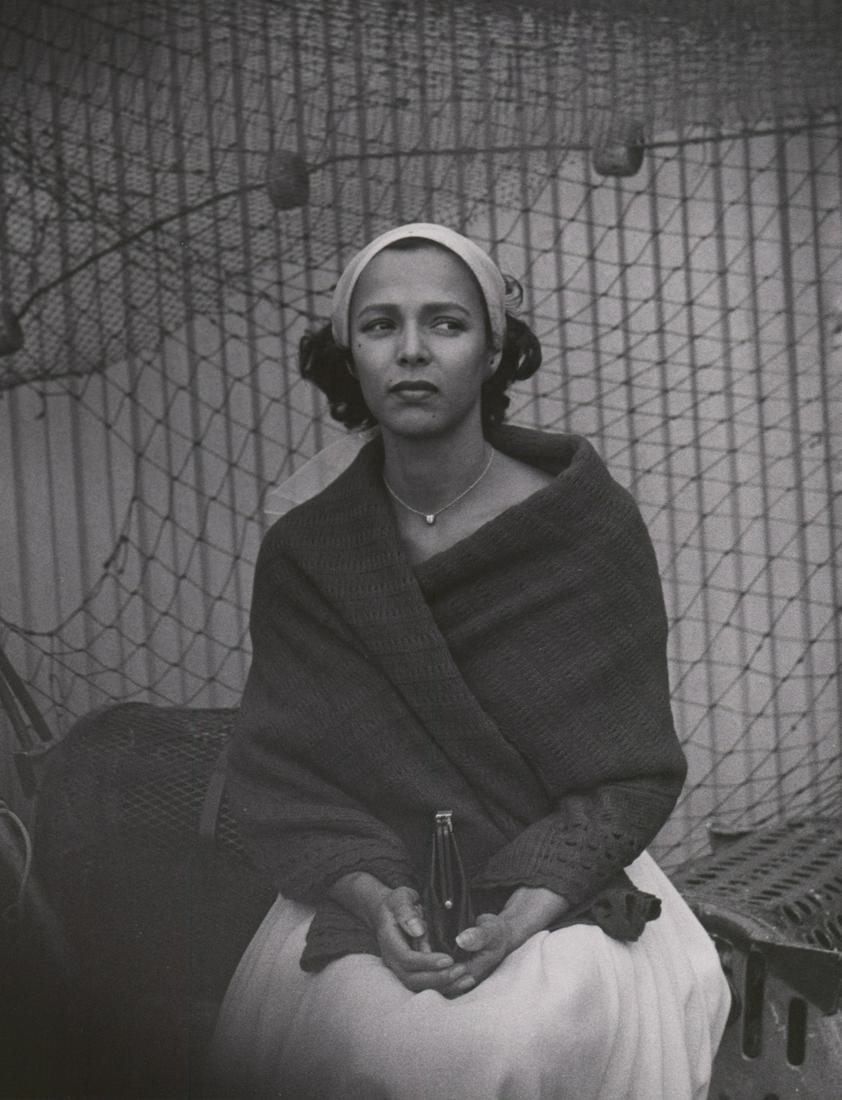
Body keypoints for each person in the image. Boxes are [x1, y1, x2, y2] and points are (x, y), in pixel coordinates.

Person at [208, 223, 731, 1099]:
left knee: (507, 1037)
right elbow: (282, 777)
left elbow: (630, 773)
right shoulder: (306, 552)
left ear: (493, 352)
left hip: (565, 883)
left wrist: (525, 913)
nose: (412, 351)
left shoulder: (586, 528)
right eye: (381, 325)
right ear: (349, 355)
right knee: (361, 1031)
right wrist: (376, 902)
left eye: (445, 324)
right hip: (374, 881)